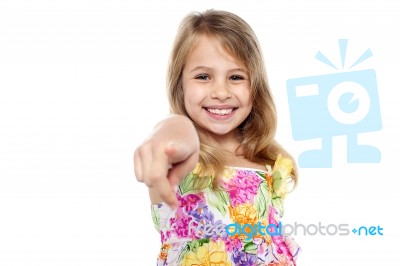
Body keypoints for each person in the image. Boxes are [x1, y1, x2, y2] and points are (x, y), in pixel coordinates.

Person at [134, 9, 301, 266]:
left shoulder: (267, 163)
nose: (221, 92)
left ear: (254, 87)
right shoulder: (181, 159)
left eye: (236, 77)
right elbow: (173, 132)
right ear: (180, 85)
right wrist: (170, 129)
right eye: (203, 76)